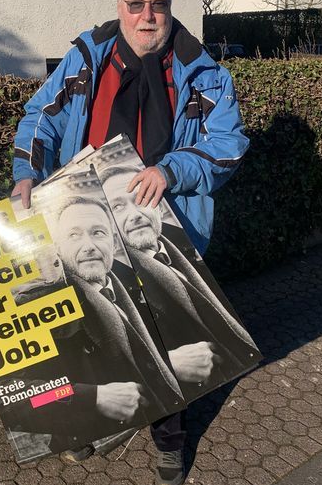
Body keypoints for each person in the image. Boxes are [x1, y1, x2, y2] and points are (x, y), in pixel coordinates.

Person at [10, 0, 249, 485]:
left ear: (171, 6)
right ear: (120, 5)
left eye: (158, 4)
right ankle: (95, 422)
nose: (147, 15)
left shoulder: (205, 73)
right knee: (91, 325)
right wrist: (26, 173)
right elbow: (39, 118)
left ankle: (170, 441)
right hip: (87, 220)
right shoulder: (84, 58)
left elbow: (228, 146)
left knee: (167, 337)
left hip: (163, 226)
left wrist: (171, 170)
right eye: (136, 4)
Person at [0, 196, 184, 455]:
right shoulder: (37, 305)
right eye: (74, 235)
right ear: (58, 247)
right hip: (84, 425)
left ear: (114, 241)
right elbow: (15, 400)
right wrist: (88, 397)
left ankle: (170, 446)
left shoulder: (146, 277)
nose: (88, 246)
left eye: (98, 233)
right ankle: (76, 440)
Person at [100, 164, 259, 401]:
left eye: (143, 194)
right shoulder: (110, 284)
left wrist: (171, 172)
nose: (135, 214)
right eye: (118, 206)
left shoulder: (183, 247)